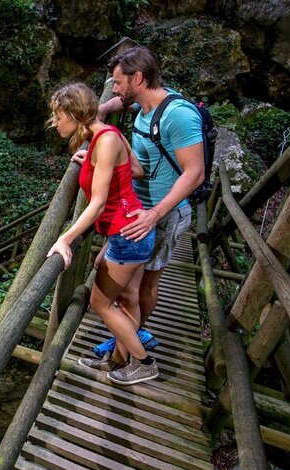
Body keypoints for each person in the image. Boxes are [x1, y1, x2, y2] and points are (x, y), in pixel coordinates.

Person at [84, 45, 206, 364]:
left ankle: (126, 346)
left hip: (162, 214)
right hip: (137, 210)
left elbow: (195, 173)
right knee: (120, 280)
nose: (114, 87)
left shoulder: (177, 114)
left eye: (118, 81)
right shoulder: (144, 103)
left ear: (137, 78)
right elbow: (115, 103)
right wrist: (100, 112)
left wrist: (155, 213)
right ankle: (125, 335)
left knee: (146, 285)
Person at [45, 82, 160, 386]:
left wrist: (64, 238)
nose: (56, 123)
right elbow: (135, 170)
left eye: (59, 116)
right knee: (127, 297)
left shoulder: (106, 141)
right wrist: (94, 165)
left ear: (74, 113)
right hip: (131, 233)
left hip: (126, 236)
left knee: (100, 303)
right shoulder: (106, 137)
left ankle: (144, 363)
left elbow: (96, 203)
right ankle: (117, 358)